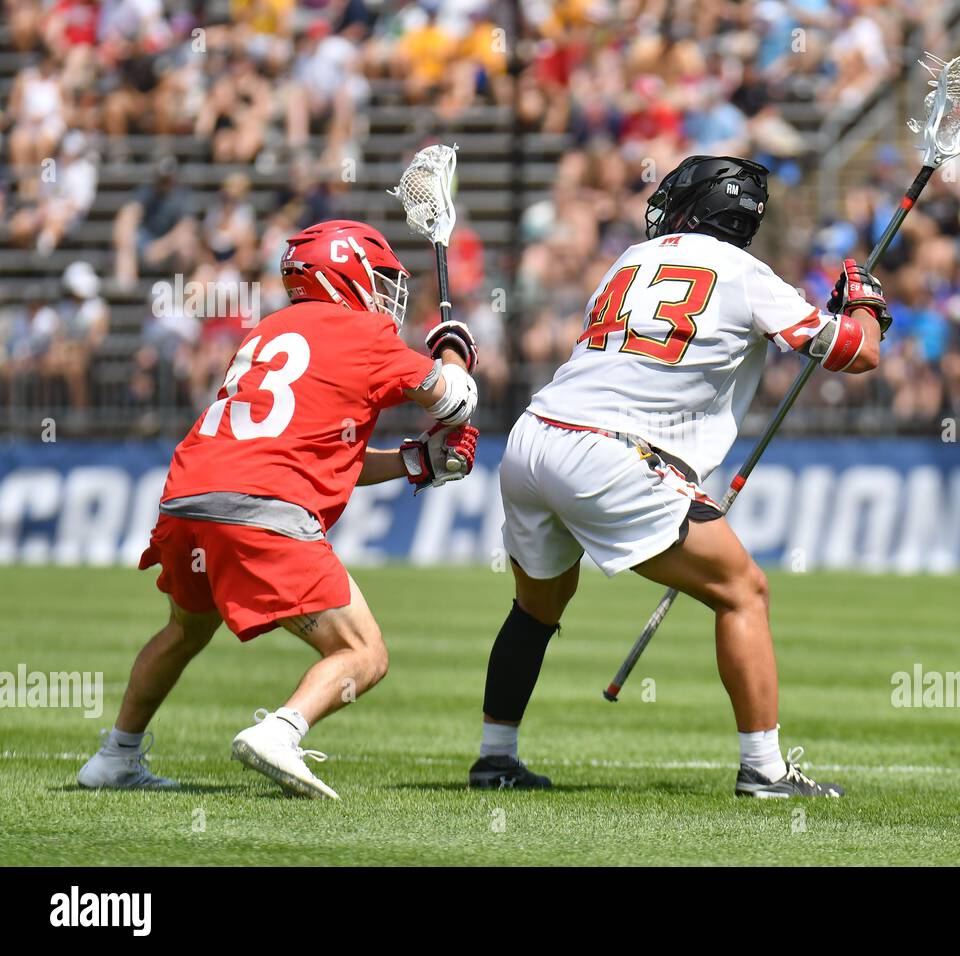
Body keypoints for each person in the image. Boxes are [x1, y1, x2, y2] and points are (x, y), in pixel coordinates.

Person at [472, 156, 890, 797]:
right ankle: (765, 771)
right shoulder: (747, 273)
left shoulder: (629, 262)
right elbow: (855, 354)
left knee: (535, 607)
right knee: (742, 591)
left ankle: (495, 758)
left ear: (695, 208)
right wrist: (863, 309)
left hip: (535, 438)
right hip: (612, 453)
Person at [78, 220, 483, 800]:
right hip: (263, 507)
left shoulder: (266, 330)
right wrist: (454, 349)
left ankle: (114, 756)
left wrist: (413, 462)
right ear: (346, 275)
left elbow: (317, 447)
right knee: (362, 652)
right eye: (381, 279)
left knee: (184, 631)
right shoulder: (363, 333)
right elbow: (456, 399)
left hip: (189, 496)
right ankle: (281, 731)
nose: (387, 293)